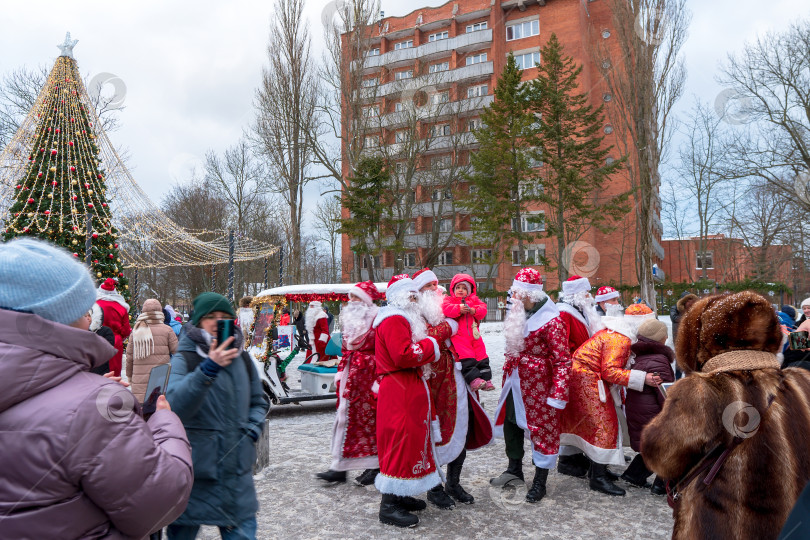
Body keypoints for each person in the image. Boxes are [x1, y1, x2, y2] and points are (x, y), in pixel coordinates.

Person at [0, 238, 193, 539]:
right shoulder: (96, 406)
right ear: (63, 316)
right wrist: (165, 421)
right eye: (83, 308)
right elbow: (161, 501)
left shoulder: (135, 335)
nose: (89, 317)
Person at [642, 291, 810, 540]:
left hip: (724, 527)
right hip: (793, 528)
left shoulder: (701, 391)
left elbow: (662, 458)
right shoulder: (803, 382)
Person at [166, 292, 269, 539]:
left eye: (224, 317)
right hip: (195, 476)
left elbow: (259, 401)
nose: (217, 321)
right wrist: (208, 368)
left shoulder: (242, 359)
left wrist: (250, 432)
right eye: (210, 316)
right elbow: (174, 406)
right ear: (198, 321)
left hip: (236, 476)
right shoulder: (186, 358)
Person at [559, 303, 661, 496]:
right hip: (586, 380)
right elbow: (610, 371)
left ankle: (598, 470)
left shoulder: (619, 334)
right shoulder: (621, 340)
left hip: (584, 378)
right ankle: (597, 478)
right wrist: (642, 378)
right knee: (604, 425)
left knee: (601, 424)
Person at [491, 268, 572, 503]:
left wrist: (558, 393)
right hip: (514, 382)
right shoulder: (519, 313)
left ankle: (540, 480)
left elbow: (563, 360)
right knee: (511, 424)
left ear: (530, 295)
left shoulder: (552, 321)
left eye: (518, 294)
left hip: (539, 386)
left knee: (542, 430)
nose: (513, 298)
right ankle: (513, 470)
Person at [413, 268, 493, 507]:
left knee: (463, 429)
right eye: (427, 286)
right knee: (437, 434)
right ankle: (434, 488)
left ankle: (453, 483)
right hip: (435, 382)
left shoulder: (450, 304)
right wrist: (449, 326)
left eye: (435, 285)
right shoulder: (416, 312)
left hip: (461, 377)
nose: (433, 290)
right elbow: (424, 337)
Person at [373, 274, 443, 528]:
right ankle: (389, 505)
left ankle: (401, 495)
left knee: (411, 440)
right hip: (399, 388)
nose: (415, 298)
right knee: (400, 441)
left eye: (416, 294)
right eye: (410, 294)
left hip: (406, 386)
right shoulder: (394, 319)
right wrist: (431, 344)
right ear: (397, 296)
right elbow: (403, 355)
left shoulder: (401, 318)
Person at [316, 281, 382, 485]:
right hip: (350, 376)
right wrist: (340, 372)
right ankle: (339, 467)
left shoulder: (379, 319)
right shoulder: (350, 320)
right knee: (344, 419)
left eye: (357, 297)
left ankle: (375, 466)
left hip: (369, 376)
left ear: (367, 300)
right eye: (351, 297)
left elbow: (383, 349)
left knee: (369, 422)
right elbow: (346, 350)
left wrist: (379, 379)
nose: (352, 301)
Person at [555, 275, 604, 478]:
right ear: (576, 294)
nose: (589, 296)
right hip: (574, 371)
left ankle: (575, 455)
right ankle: (567, 458)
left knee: (578, 416)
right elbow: (562, 345)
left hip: (584, 371)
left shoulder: (579, 311)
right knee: (574, 415)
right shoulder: (565, 313)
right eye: (586, 292)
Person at [619, 318, 674, 495]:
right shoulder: (659, 359)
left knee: (650, 447)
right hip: (653, 414)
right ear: (661, 338)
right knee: (668, 446)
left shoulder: (636, 356)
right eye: (665, 334)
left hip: (639, 411)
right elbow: (664, 394)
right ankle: (662, 485)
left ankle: (634, 475)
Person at [442, 273, 493, 391]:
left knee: (482, 355)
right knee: (467, 358)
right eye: (458, 287)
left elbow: (483, 310)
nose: (461, 290)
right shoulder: (450, 300)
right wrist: (458, 309)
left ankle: (487, 379)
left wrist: (474, 310)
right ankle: (474, 379)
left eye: (464, 288)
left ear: (469, 291)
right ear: (453, 289)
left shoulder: (474, 300)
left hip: (475, 336)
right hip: (460, 337)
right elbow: (446, 309)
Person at [126, 298, 179, 403]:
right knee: (159, 412)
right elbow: (177, 352)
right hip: (160, 380)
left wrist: (129, 376)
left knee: (142, 415)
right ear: (160, 312)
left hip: (139, 383)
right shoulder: (167, 330)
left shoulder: (136, 331)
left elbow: (129, 357)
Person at [96, 277, 132, 376]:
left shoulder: (94, 304)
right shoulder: (121, 306)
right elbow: (126, 330)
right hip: (115, 342)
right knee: (114, 372)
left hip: (97, 340)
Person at [88, 302, 117, 375]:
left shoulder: (106, 331)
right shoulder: (82, 331)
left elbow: (107, 349)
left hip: (101, 371)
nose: (88, 318)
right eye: (85, 316)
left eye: (90, 315)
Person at [305, 301, 335, 365]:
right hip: (313, 341)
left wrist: (322, 340)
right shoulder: (311, 316)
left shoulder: (321, 316)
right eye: (310, 306)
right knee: (310, 359)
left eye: (312, 306)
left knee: (323, 360)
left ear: (317, 307)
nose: (310, 308)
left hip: (321, 341)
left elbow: (325, 330)